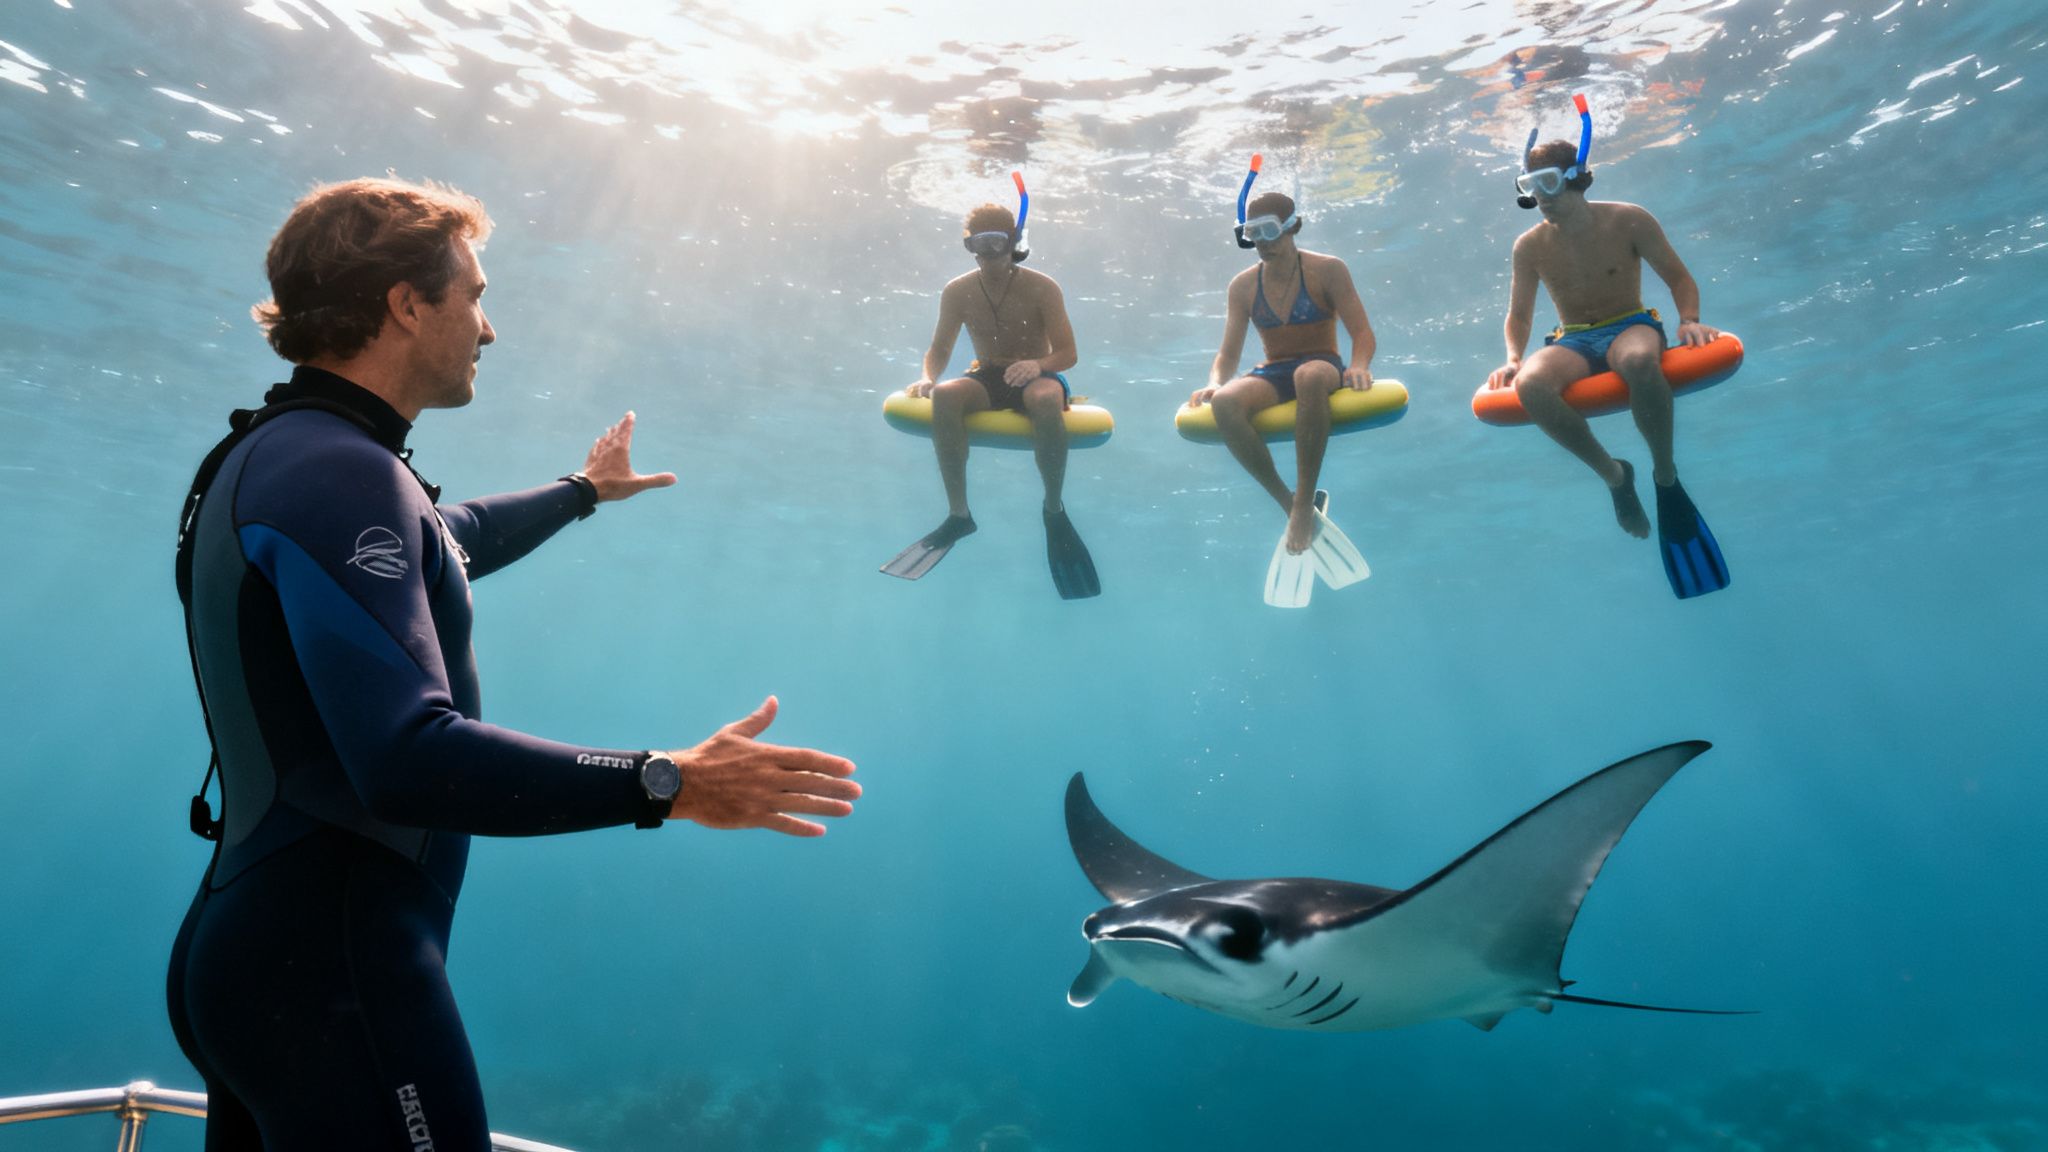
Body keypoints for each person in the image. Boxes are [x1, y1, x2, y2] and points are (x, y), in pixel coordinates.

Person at [166, 176, 861, 1151]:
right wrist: (665, 783)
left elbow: (449, 540)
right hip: (338, 978)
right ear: (408, 305)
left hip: (263, 952)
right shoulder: (339, 474)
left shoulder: (284, 456)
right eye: (476, 296)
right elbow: (405, 759)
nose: (488, 330)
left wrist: (582, 490)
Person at [1484, 126, 1731, 598]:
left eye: (1550, 183)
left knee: (1639, 361)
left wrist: (1690, 321)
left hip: (1630, 323)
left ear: (1578, 178)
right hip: (1573, 339)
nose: (1541, 197)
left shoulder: (1629, 220)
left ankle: (1664, 475)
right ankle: (1616, 476)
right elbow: (1518, 314)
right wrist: (1514, 358)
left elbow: (1679, 277)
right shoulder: (1530, 246)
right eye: (1530, 187)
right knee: (1531, 386)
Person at [881, 198, 1099, 600]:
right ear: (970, 247)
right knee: (946, 395)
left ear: (1014, 242)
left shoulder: (1042, 287)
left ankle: (1053, 508)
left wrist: (1036, 365)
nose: (988, 254)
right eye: (979, 244)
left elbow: (1068, 353)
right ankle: (959, 515)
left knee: (1046, 399)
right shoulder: (958, 291)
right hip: (988, 373)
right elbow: (939, 348)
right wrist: (928, 377)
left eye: (997, 243)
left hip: (1037, 372)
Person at [1186, 188, 1378, 603]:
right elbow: (1228, 353)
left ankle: (1304, 500)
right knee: (1225, 403)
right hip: (1273, 371)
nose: (1263, 242)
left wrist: (1359, 365)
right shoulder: (1241, 286)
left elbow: (1361, 333)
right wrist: (1217, 381)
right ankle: (1291, 506)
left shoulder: (1328, 270)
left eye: (1270, 231)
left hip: (1321, 363)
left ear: (1293, 227)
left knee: (1310, 376)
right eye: (1252, 233)